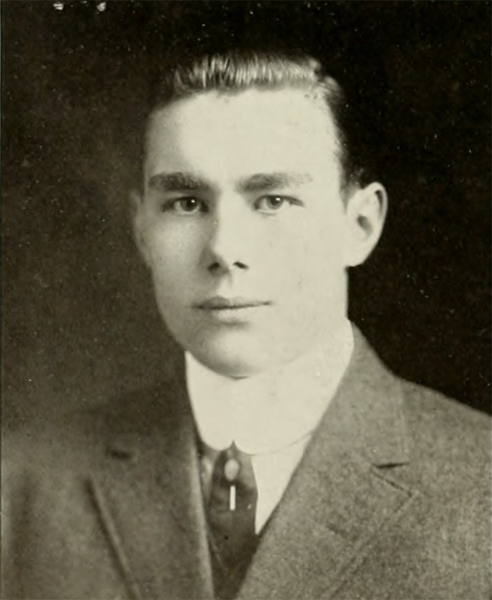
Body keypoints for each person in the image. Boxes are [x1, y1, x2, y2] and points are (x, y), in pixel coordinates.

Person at [2, 50, 490, 600]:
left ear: (359, 225)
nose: (225, 249)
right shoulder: (22, 483)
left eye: (273, 200)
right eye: (186, 203)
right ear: (142, 231)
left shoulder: (482, 484)